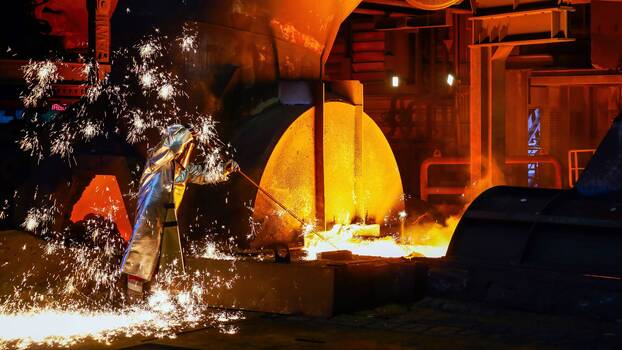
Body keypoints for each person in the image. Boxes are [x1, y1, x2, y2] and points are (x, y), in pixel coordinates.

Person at [121, 124, 233, 297]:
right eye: (185, 145)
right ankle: (132, 299)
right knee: (140, 258)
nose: (187, 151)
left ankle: (153, 299)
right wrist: (186, 133)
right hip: (149, 218)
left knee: (163, 261)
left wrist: (224, 170)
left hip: (168, 220)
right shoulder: (156, 159)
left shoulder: (182, 170)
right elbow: (168, 149)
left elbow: (204, 175)